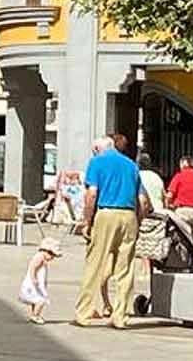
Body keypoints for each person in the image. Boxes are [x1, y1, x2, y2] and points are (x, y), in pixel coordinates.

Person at [73, 136, 147, 329]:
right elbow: (143, 201)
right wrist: (137, 222)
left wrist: (87, 221)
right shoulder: (132, 165)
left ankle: (84, 312)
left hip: (107, 213)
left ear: (98, 149)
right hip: (129, 215)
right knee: (126, 268)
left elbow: (92, 193)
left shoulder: (97, 162)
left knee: (94, 263)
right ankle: (120, 315)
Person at [19, 237, 62, 324]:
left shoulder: (41, 258)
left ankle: (34, 314)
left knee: (36, 300)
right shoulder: (39, 258)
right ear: (47, 251)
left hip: (36, 284)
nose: (52, 258)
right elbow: (33, 268)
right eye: (52, 255)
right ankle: (36, 316)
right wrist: (34, 278)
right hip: (33, 284)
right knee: (41, 300)